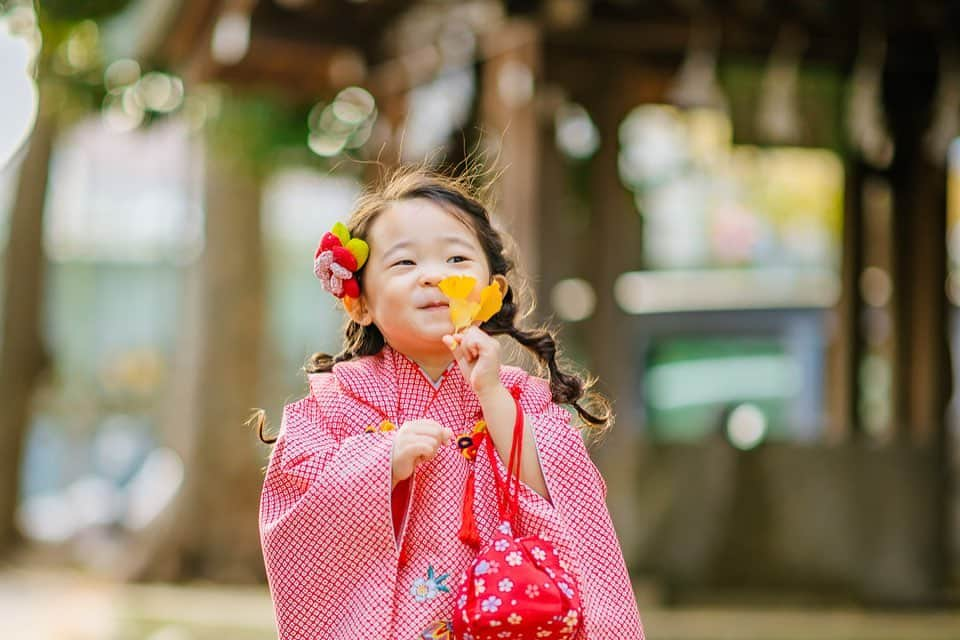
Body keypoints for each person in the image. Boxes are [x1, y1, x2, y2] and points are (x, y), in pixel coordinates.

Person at [257, 166, 645, 639]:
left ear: (490, 292)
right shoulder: (335, 404)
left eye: (457, 258)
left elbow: (566, 496)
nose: (435, 276)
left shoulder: (520, 396)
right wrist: (381, 462)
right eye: (404, 263)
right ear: (358, 303)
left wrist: (491, 394)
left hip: (504, 616)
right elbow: (296, 519)